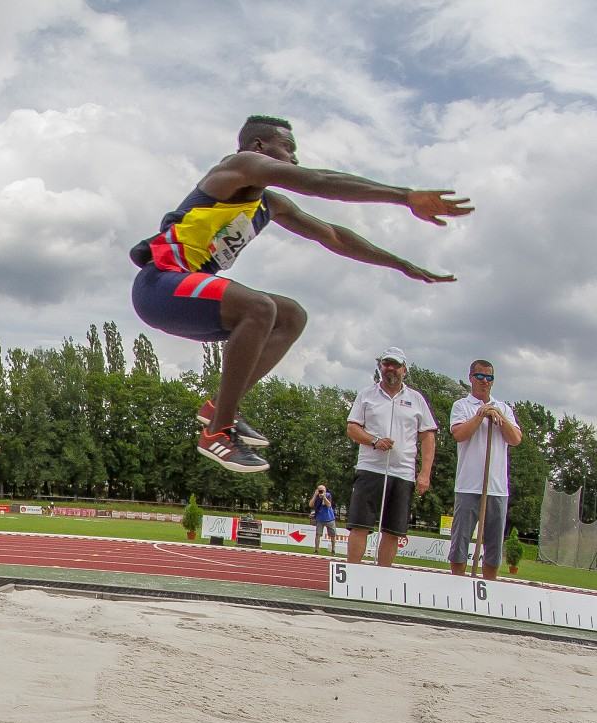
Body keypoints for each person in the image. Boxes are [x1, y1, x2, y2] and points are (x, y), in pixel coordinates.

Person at [128, 114, 470, 473]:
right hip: (159, 285)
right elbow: (318, 181)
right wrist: (405, 196)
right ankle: (218, 431)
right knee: (259, 308)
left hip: (187, 293)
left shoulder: (269, 205)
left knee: (291, 315)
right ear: (259, 146)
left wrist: (399, 263)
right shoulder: (239, 166)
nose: (294, 158)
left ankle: (219, 408)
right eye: (288, 148)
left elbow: (333, 236)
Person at [344, 349, 435, 568]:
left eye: (395, 365)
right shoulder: (366, 395)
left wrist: (425, 473)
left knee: (393, 530)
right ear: (380, 367)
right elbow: (352, 428)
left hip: (403, 472)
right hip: (370, 468)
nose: (390, 369)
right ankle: (352, 574)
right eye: (386, 364)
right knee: (359, 525)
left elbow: (428, 437)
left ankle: (382, 576)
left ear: (404, 369)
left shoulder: (416, 399)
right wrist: (374, 440)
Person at [447, 358, 523, 578]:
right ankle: (457, 582)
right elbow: (459, 434)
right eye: (480, 376)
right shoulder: (461, 406)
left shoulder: (503, 408)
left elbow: (515, 439)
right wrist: (480, 415)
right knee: (460, 540)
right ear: (471, 378)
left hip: (496, 488)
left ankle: (489, 584)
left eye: (489, 377)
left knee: (493, 545)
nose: (484, 381)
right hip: (468, 485)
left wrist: (498, 417)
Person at [309, 484, 337, 553]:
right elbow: (310, 505)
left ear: (325, 490)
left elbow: (329, 505)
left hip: (329, 518)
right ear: (317, 490)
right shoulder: (316, 496)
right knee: (318, 534)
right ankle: (316, 550)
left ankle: (333, 550)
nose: (321, 492)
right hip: (320, 519)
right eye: (320, 490)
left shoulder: (328, 495)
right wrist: (315, 495)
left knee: (333, 535)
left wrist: (324, 497)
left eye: (322, 490)